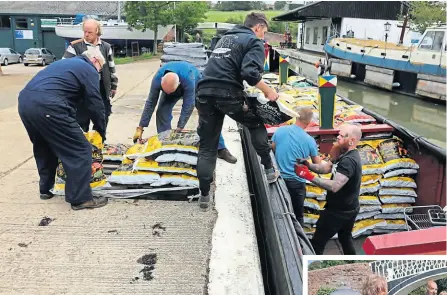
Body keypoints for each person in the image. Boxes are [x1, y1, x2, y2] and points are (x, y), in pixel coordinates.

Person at [195, 12, 280, 210]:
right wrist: (269, 91)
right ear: (258, 27)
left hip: (205, 93)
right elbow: (250, 73)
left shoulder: (224, 38)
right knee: (255, 122)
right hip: (228, 94)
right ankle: (269, 169)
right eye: (264, 32)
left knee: (208, 146)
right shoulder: (253, 41)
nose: (263, 37)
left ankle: (204, 196)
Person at [18, 49, 108, 210]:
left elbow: (72, 97)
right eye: (100, 68)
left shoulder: (65, 64)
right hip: (49, 106)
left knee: (44, 146)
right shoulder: (89, 69)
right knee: (80, 150)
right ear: (95, 60)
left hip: (25, 102)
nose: (99, 71)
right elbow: (95, 103)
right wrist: (101, 130)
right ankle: (80, 199)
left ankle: (45, 189)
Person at [132, 61, 237, 164]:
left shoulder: (189, 79)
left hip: (195, 83)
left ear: (179, 84)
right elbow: (150, 103)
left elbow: (189, 105)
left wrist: (180, 127)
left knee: (208, 113)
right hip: (171, 86)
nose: (167, 94)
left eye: (170, 92)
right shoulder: (158, 79)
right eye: (166, 92)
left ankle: (221, 148)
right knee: (161, 112)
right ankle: (165, 144)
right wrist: (141, 127)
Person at [295, 123, 363, 254]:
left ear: (352, 141)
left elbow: (335, 186)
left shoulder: (349, 161)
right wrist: (308, 165)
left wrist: (308, 176)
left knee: (318, 242)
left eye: (342, 136)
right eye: (338, 134)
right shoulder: (342, 153)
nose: (337, 137)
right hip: (350, 207)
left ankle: (312, 268)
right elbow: (326, 168)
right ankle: (353, 262)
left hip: (338, 212)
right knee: (345, 237)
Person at [63, 18, 118, 134]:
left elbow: (112, 68)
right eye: (85, 32)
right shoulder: (74, 47)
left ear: (97, 31)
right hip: (82, 91)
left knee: (102, 118)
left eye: (90, 32)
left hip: (101, 89)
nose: (86, 35)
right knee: (81, 120)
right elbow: (64, 67)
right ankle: (83, 146)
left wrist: (113, 86)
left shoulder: (106, 47)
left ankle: (99, 143)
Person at [271, 108, 321, 227]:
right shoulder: (309, 140)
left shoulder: (280, 131)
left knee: (280, 210)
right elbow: (317, 164)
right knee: (297, 215)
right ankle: (299, 241)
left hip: (279, 180)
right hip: (297, 183)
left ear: (296, 117)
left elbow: (273, 148)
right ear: (309, 123)